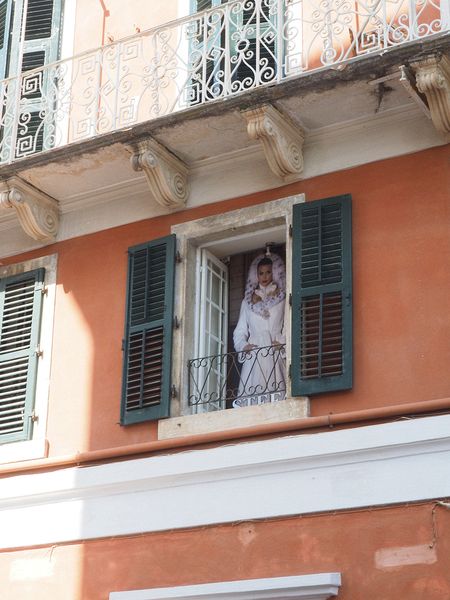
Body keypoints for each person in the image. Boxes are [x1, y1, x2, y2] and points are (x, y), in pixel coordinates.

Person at [233, 252, 286, 406]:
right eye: (261, 273)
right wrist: (244, 346)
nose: (265, 276)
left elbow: (289, 325)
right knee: (252, 401)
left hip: (274, 350)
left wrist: (281, 342)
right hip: (255, 354)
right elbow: (239, 331)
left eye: (268, 272)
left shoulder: (282, 298)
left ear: (274, 272)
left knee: (277, 401)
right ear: (255, 275)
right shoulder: (247, 302)